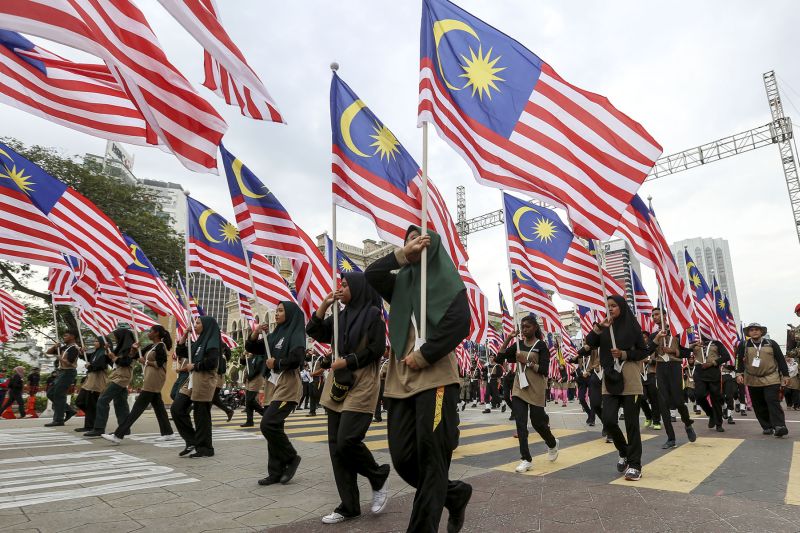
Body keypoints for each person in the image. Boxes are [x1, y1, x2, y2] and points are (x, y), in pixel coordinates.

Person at [365, 226, 472, 533]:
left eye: (419, 237)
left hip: (435, 377)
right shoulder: (400, 283)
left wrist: (425, 354)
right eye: (408, 239)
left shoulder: (447, 282)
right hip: (400, 381)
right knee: (402, 458)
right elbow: (372, 274)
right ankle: (454, 494)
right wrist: (402, 256)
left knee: (431, 460)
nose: (413, 242)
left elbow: (460, 322)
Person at [306, 271, 391, 524]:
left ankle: (377, 475)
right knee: (336, 448)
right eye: (339, 285)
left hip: (362, 380)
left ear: (358, 287)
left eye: (345, 285)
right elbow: (314, 330)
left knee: (347, 440)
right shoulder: (339, 316)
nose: (340, 288)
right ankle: (349, 505)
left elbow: (377, 349)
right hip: (338, 383)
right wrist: (324, 304)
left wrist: (349, 360)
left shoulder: (373, 314)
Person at [585, 295, 649, 482]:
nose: (610, 309)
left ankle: (635, 465)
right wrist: (599, 327)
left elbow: (643, 352)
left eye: (613, 305)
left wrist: (624, 354)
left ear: (621, 307)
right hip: (610, 378)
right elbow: (589, 344)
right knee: (609, 420)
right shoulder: (605, 328)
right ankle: (624, 451)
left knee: (631, 424)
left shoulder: (633, 326)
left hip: (630, 379)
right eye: (608, 306)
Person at [248, 301, 304, 485]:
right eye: (276, 310)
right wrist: (256, 332)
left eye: (280, 310)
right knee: (275, 428)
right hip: (272, 384)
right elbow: (252, 348)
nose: (276, 313)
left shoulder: (296, 333)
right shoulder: (274, 335)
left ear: (290, 314)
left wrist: (277, 363)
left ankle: (291, 457)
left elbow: (297, 358)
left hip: (288, 385)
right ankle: (275, 472)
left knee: (268, 424)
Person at [496, 316, 560, 473]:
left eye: (527, 326)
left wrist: (527, 361)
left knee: (538, 423)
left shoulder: (541, 345)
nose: (524, 329)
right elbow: (499, 358)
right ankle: (526, 459)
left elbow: (544, 370)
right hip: (519, 388)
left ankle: (552, 443)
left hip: (536, 388)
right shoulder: (518, 344)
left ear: (535, 327)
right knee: (520, 423)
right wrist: (508, 339)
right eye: (522, 327)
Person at [101, 325, 176, 444]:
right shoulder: (151, 346)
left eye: (150, 331)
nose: (148, 333)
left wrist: (145, 361)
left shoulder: (161, 346)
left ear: (156, 333)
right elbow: (135, 357)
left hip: (155, 379)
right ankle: (168, 433)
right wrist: (133, 349)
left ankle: (118, 435)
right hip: (150, 378)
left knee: (137, 409)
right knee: (159, 408)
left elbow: (160, 363)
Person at [171, 316, 221, 457]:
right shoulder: (199, 342)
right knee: (177, 408)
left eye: (198, 323)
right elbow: (181, 351)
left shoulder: (212, 342)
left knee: (201, 415)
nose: (195, 325)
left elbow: (212, 362)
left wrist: (195, 366)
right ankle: (192, 441)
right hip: (192, 379)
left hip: (204, 379)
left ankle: (205, 449)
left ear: (206, 325)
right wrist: (185, 334)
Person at [648, 308, 696, 449]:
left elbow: (688, 352)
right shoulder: (654, 335)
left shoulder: (677, 332)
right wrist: (656, 339)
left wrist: (674, 351)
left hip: (674, 367)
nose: (654, 317)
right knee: (663, 403)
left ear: (664, 316)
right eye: (653, 315)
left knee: (678, 401)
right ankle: (671, 438)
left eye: (657, 314)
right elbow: (648, 350)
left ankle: (687, 423)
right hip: (661, 368)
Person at [736, 323, 790, 437]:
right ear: (748, 333)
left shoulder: (771, 343)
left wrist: (785, 375)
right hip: (752, 379)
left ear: (761, 332)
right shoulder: (744, 345)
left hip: (771, 377)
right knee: (758, 404)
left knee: (772, 401)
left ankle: (780, 426)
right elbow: (739, 360)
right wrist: (738, 373)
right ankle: (767, 426)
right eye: (752, 330)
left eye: (757, 329)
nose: (754, 331)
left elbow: (781, 359)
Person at [84, 328, 135, 437]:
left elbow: (125, 362)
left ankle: (99, 428)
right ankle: (124, 429)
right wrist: (108, 350)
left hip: (121, 377)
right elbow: (111, 359)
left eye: (116, 337)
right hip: (117, 375)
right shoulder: (121, 348)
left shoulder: (131, 349)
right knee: (120, 403)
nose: (115, 339)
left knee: (102, 400)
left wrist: (114, 358)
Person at [690, 335, 729, 432]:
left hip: (713, 371)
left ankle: (719, 423)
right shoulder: (695, 343)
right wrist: (693, 345)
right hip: (699, 372)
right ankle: (711, 413)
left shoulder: (716, 343)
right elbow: (684, 352)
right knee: (699, 396)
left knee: (715, 398)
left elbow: (726, 356)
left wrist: (712, 363)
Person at [44, 330, 81, 427]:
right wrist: (55, 346)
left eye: (66, 335)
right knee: (50, 393)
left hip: (68, 372)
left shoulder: (74, 348)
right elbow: (48, 352)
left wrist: (61, 359)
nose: (64, 337)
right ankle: (69, 410)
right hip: (61, 372)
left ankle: (58, 419)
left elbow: (70, 363)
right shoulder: (64, 347)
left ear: (72, 336)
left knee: (59, 395)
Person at [74, 337, 110, 432]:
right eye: (94, 341)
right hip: (89, 380)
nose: (94, 343)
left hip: (97, 380)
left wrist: (90, 366)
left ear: (102, 342)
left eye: (96, 341)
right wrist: (82, 352)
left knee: (90, 403)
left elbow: (101, 365)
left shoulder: (104, 353)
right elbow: (86, 357)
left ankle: (89, 425)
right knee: (80, 401)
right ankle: (93, 417)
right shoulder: (95, 352)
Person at [240, 349, 265, 427]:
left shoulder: (259, 356)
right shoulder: (250, 356)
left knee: (250, 400)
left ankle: (265, 414)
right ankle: (249, 421)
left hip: (255, 379)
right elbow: (242, 362)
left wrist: (250, 376)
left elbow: (257, 369)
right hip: (249, 379)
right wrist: (243, 355)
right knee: (248, 402)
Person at [211, 346, 234, 422]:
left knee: (212, 398)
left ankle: (228, 411)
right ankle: (228, 411)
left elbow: (221, 370)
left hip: (217, 380)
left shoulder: (222, 357)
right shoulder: (221, 357)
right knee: (212, 398)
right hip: (217, 379)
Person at [309, 350, 326, 417]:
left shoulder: (322, 357)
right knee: (311, 394)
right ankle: (312, 411)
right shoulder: (313, 357)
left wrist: (313, 373)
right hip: (312, 379)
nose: (313, 350)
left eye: (315, 349)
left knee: (318, 394)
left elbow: (323, 369)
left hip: (319, 378)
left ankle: (327, 409)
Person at [374, 355, 388, 422]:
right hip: (378, 381)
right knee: (377, 399)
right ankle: (377, 417)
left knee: (386, 399)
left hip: (384, 382)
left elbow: (390, 372)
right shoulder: (379, 360)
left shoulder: (388, 361)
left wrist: (382, 374)